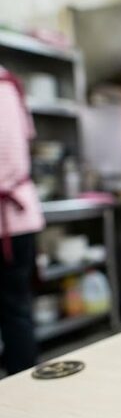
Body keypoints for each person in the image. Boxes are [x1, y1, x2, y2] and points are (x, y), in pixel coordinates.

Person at [0, 65, 43, 373]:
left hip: (8, 217)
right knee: (17, 308)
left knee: (14, 309)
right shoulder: (11, 85)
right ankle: (22, 387)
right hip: (21, 215)